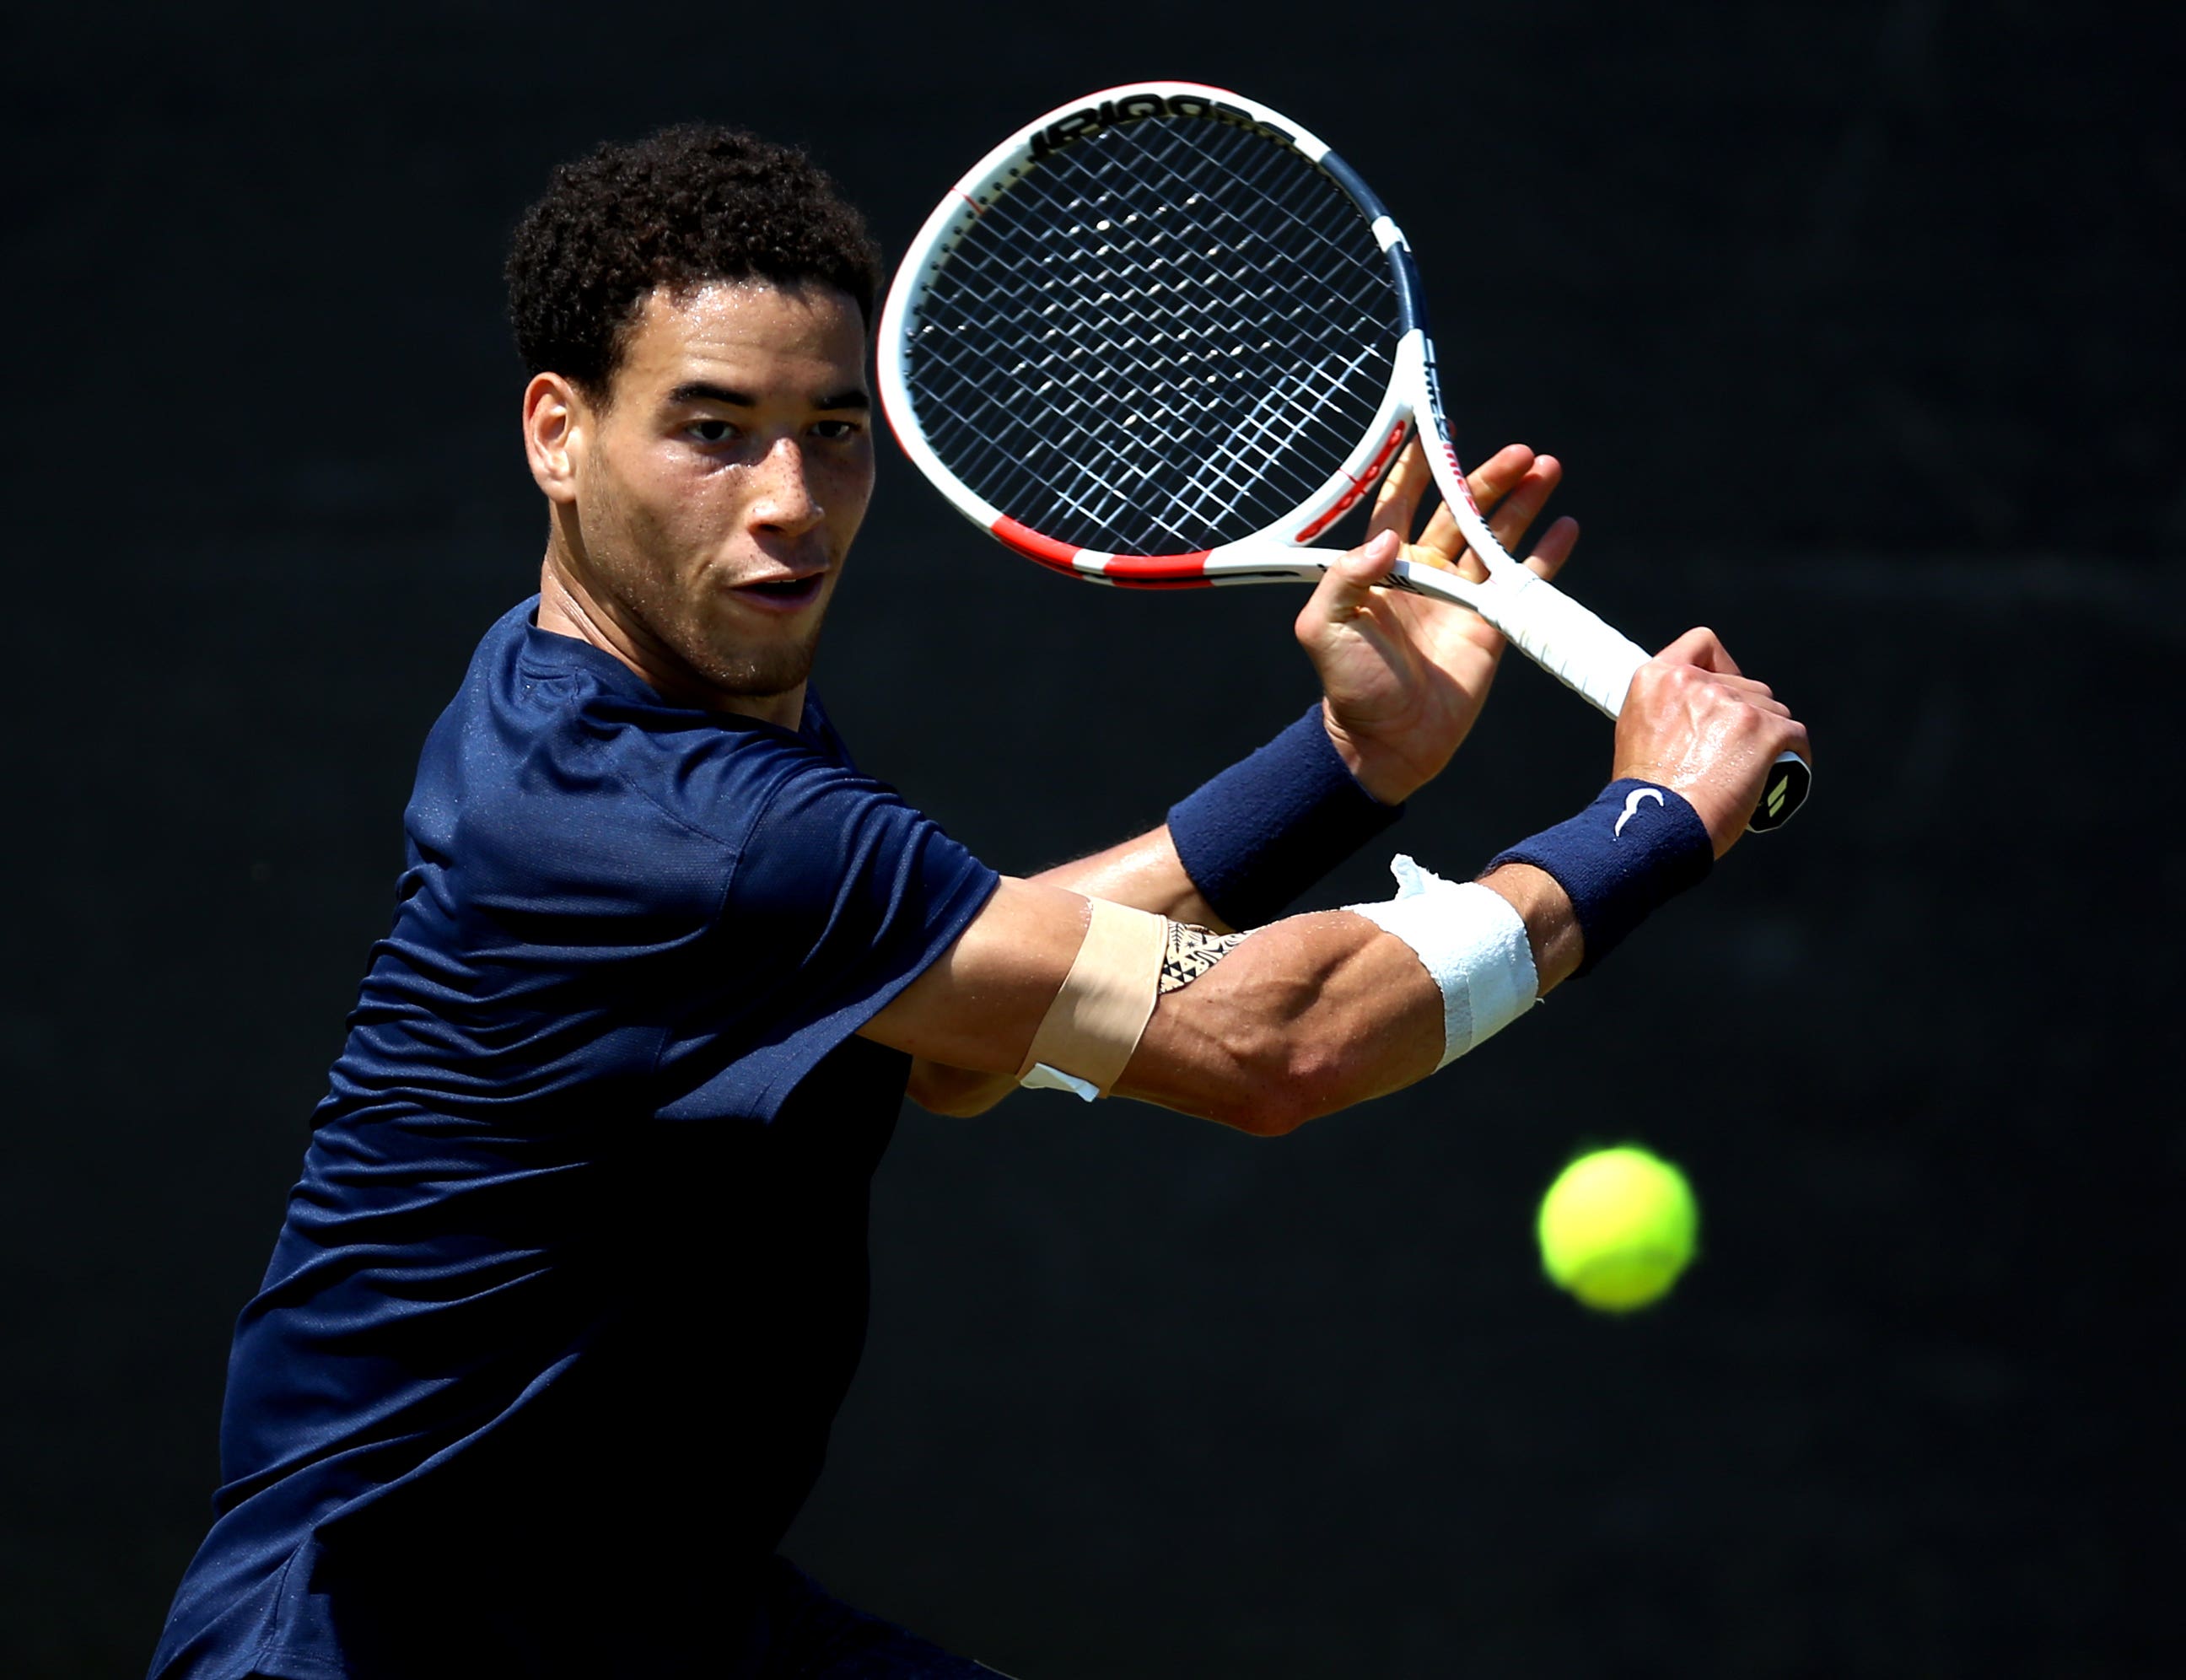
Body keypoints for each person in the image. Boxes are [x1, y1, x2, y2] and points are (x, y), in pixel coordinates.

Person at [148, 126, 1808, 1680]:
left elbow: (965, 1027)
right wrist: (1649, 820)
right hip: (380, 1645)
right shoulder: (681, 826)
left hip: (645, 1615)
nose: (791, 500)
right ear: (557, 435)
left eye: (833, 432)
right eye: (713, 432)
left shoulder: (616, 717)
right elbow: (1276, 1046)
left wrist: (1348, 767)